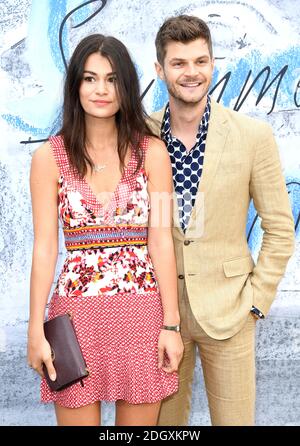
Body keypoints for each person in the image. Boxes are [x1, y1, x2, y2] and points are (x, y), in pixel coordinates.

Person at [27, 33, 184, 427]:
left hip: (142, 317)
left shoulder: (153, 153)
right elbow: (45, 247)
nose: (101, 89)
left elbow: (161, 240)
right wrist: (34, 328)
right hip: (74, 322)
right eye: (90, 78)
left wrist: (171, 324)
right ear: (75, 85)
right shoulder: (49, 157)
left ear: (126, 86)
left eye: (112, 79)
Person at [149, 15, 295, 426]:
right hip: (159, 317)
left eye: (200, 61)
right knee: (163, 429)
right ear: (160, 70)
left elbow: (281, 228)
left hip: (231, 311)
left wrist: (256, 301)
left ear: (213, 64)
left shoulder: (252, 135)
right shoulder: (140, 136)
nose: (191, 72)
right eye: (178, 63)